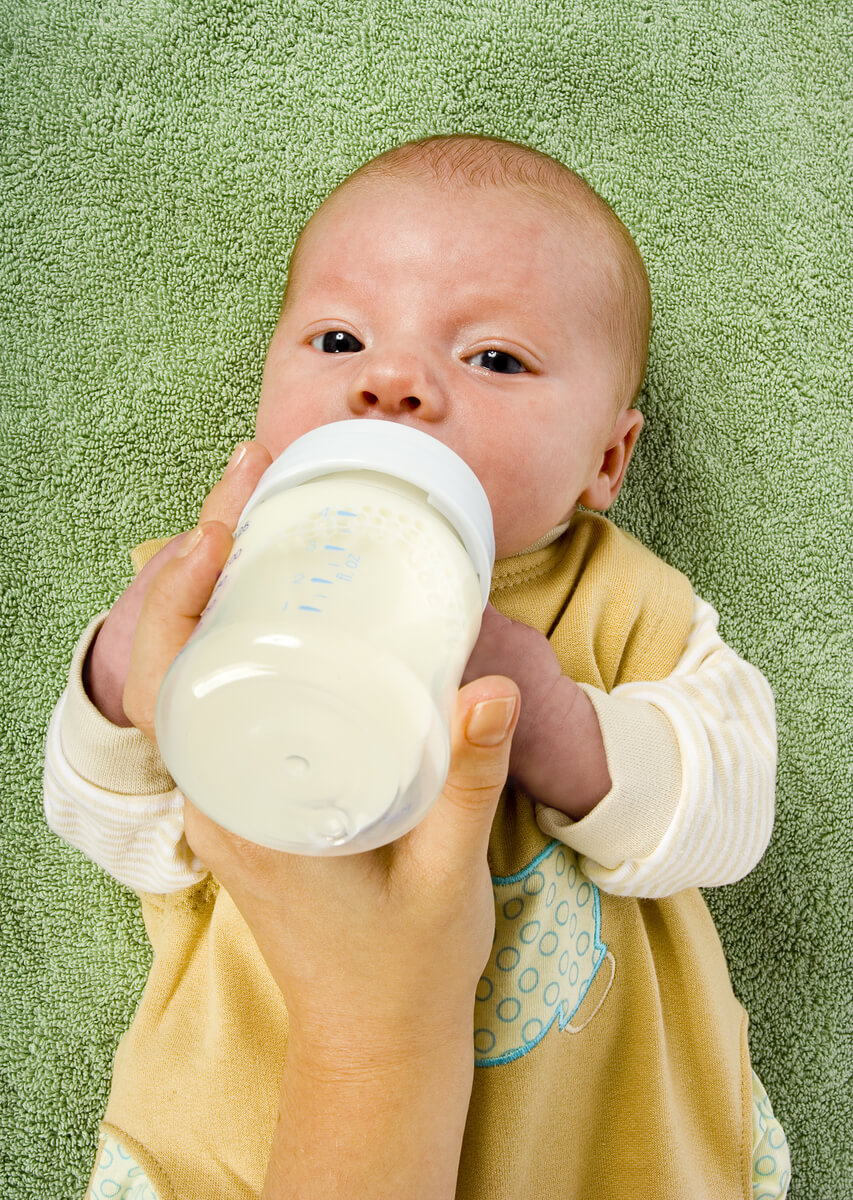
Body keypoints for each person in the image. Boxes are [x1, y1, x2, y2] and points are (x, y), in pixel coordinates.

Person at [43, 133, 791, 1199]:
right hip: (253, 1135)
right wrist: (125, 683)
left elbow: (730, 811)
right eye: (340, 338)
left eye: (492, 358)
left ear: (607, 460)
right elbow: (115, 833)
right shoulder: (217, 583)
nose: (392, 382)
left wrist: (550, 712)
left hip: (588, 1150)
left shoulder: (626, 603)